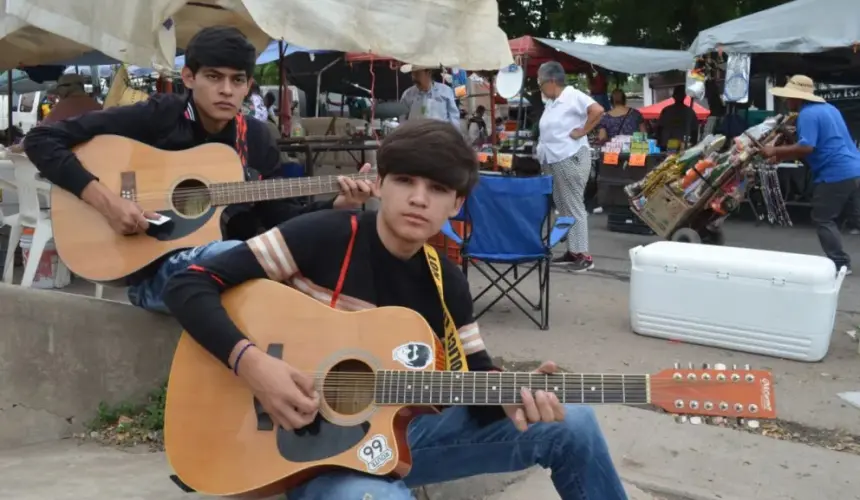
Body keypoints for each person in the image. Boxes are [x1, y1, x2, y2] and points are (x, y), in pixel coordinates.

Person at [162, 119, 628, 500]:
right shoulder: (324, 236)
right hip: (304, 454)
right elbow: (190, 284)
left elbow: (475, 376)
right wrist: (254, 364)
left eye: (437, 188)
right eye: (405, 180)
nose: (419, 198)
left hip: (394, 441)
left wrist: (514, 392)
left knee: (577, 422)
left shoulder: (448, 283)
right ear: (379, 184)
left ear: (457, 203)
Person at [23, 26, 375, 313]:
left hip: (227, 269)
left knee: (299, 252)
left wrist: (335, 206)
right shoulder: (158, 116)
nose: (226, 90)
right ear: (189, 77)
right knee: (239, 255)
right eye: (213, 77)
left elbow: (280, 217)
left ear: (248, 86)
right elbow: (41, 139)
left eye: (237, 80)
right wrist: (108, 203)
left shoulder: (255, 138)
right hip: (159, 276)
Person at [761, 75, 860, 274]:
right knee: (857, 217)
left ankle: (840, 263)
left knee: (823, 218)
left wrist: (775, 151)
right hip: (854, 168)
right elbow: (816, 146)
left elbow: (806, 147)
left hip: (835, 173)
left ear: (798, 97)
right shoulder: (830, 109)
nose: (787, 101)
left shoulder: (807, 114)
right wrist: (783, 155)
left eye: (789, 98)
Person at [535, 61, 605, 271]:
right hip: (553, 158)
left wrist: (583, 131)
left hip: (569, 156)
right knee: (563, 205)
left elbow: (597, 110)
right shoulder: (553, 102)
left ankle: (584, 255)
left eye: (541, 83)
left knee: (573, 205)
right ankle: (573, 251)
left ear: (552, 81)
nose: (540, 87)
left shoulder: (572, 95)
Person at [399, 64, 460, 129]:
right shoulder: (408, 94)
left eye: (417, 74)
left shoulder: (445, 91)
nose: (413, 78)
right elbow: (402, 120)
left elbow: (454, 119)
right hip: (416, 137)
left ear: (429, 73)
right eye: (412, 74)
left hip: (440, 137)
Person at [655, 85, 699, 151]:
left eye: (681, 94)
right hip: (667, 144)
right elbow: (659, 128)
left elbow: (694, 130)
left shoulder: (689, 112)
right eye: (678, 94)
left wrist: (693, 144)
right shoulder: (666, 110)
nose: (679, 97)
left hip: (683, 145)